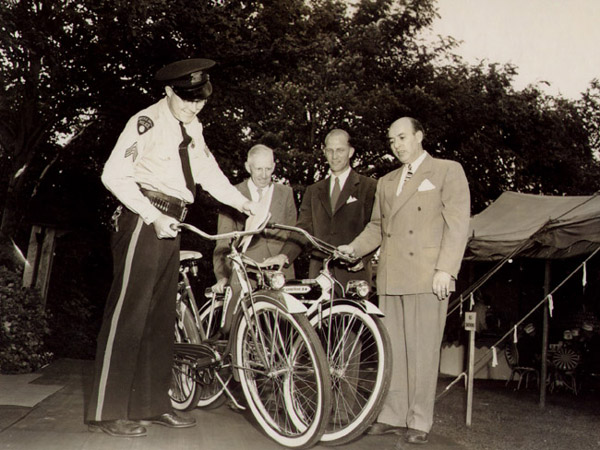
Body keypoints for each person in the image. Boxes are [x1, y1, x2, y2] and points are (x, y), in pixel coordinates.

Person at [86, 58, 257, 438]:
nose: (195, 106)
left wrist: (240, 202)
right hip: (143, 220)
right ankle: (106, 411)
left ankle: (151, 404)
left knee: (161, 317)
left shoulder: (192, 126)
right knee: (128, 315)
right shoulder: (146, 122)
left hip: (172, 222)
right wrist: (150, 215)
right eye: (187, 100)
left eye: (201, 100)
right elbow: (113, 174)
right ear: (168, 92)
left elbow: (208, 172)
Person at [339, 117, 470, 445]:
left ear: (419, 137)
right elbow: (377, 228)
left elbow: (458, 225)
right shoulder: (386, 182)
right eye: (392, 140)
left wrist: (446, 269)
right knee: (393, 351)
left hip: (429, 276)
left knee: (423, 351)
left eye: (402, 137)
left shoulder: (447, 170)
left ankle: (419, 421)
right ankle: (391, 415)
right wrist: (353, 248)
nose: (397, 145)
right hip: (391, 277)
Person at [264, 129, 377, 290]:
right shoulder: (313, 191)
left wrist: (362, 259)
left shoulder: (369, 187)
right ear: (324, 152)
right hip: (319, 275)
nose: (334, 156)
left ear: (351, 152)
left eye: (340, 150)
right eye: (330, 150)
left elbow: (375, 228)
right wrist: (284, 255)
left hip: (354, 276)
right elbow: (303, 229)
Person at [212, 144, 297, 292]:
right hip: (245, 275)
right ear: (248, 167)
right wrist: (223, 276)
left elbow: (294, 234)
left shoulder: (286, 193)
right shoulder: (232, 195)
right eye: (258, 169)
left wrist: (285, 257)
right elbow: (223, 241)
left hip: (281, 274)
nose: (264, 175)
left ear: (274, 166)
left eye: (268, 169)